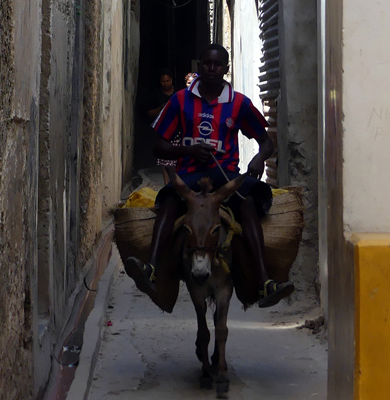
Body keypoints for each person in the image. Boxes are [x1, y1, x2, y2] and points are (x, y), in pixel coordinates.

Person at [124, 43, 294, 308]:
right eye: (206, 63)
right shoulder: (180, 99)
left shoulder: (239, 104)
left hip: (225, 177)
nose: (211, 68)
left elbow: (266, 141)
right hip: (190, 177)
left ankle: (264, 283)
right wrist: (187, 150)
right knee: (168, 200)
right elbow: (158, 144)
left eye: (217, 65)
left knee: (248, 206)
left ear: (225, 69)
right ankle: (151, 269)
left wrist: (260, 159)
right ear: (199, 66)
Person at [147, 69, 179, 183]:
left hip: (178, 131)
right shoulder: (156, 95)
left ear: (172, 80)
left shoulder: (179, 94)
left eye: (168, 80)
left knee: (176, 158)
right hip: (163, 130)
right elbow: (150, 113)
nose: (166, 83)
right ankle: (167, 185)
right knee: (164, 159)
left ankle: (176, 184)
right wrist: (161, 108)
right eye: (163, 81)